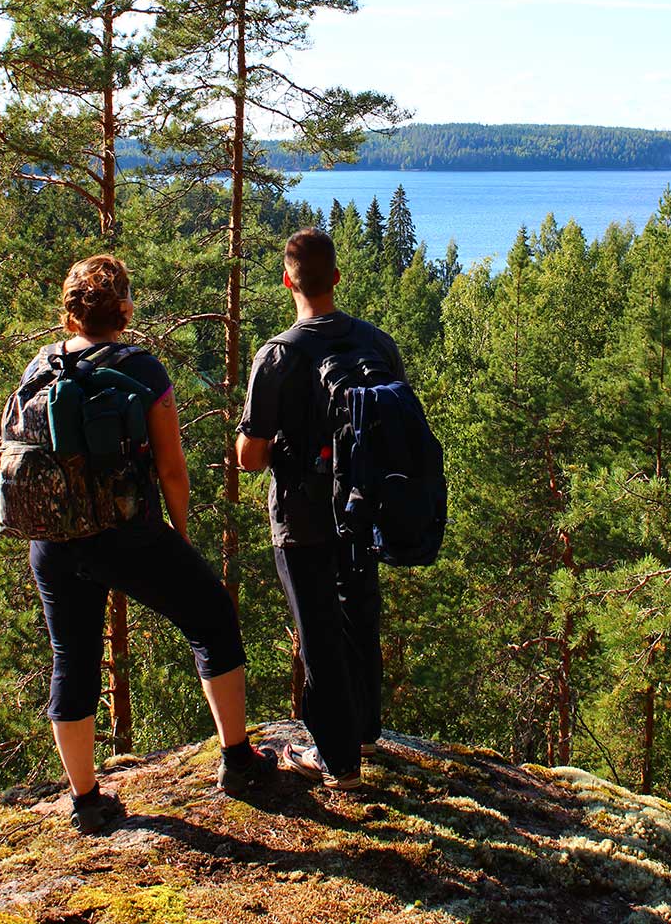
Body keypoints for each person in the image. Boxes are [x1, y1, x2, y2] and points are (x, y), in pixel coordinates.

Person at [26, 254, 276, 834]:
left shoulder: (40, 365)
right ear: (125, 310)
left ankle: (86, 799)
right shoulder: (142, 367)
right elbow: (172, 472)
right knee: (211, 614)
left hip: (54, 539)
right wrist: (180, 538)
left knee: (73, 656)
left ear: (70, 316)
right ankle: (238, 762)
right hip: (123, 533)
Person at [236, 228, 406, 789]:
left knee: (317, 636)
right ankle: (362, 732)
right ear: (336, 276)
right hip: (362, 513)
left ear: (288, 280)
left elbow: (252, 458)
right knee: (359, 617)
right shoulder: (378, 345)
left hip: (302, 516)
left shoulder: (278, 355)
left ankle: (339, 764)